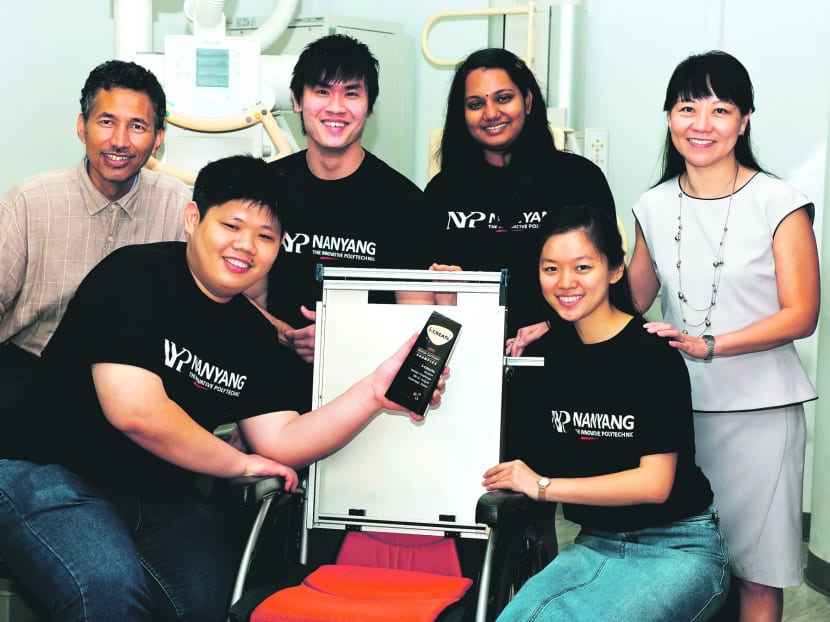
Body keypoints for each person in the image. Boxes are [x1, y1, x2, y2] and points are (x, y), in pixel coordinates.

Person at [0, 155, 446, 622]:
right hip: (49, 474)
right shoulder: (133, 276)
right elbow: (135, 411)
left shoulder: (253, 334)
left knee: (219, 604)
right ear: (194, 219)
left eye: (265, 236)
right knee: (108, 590)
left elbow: (283, 440)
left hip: (159, 498)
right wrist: (240, 463)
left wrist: (375, 392)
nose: (245, 246)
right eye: (231, 225)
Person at [628, 51, 819, 622]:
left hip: (761, 412)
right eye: (688, 108)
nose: (702, 124)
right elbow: (629, 300)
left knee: (758, 572)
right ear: (668, 117)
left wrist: (711, 345)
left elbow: (801, 313)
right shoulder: (652, 205)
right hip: (675, 413)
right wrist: (552, 317)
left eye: (720, 109)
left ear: (746, 119)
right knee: (685, 564)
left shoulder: (780, 202)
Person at [484, 205, 728, 621]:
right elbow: (520, 455)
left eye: (582, 266)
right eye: (550, 269)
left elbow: (654, 485)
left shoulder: (653, 355)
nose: (565, 283)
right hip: (594, 542)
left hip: (678, 546)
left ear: (615, 270)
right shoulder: (544, 357)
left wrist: (541, 485)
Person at [0, 59, 190, 411]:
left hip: (135, 384)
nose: (119, 141)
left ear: (158, 138)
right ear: (81, 126)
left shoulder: (178, 207)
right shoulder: (30, 200)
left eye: (137, 126)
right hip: (28, 371)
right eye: (106, 122)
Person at [262, 33, 433, 383]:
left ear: (369, 107)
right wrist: (285, 334)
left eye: (351, 93)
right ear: (297, 99)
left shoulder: (405, 204)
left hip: (366, 392)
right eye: (322, 91)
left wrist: (343, 340)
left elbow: (416, 318)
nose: (336, 107)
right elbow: (230, 290)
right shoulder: (265, 187)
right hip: (268, 388)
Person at [423, 47, 615, 353]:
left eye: (503, 98)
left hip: (565, 353)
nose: (490, 113)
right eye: (475, 104)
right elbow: (425, 293)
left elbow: (609, 279)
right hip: (469, 354)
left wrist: (554, 325)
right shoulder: (441, 193)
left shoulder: (579, 180)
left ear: (527, 101)